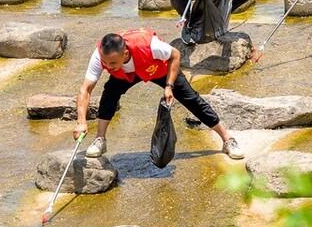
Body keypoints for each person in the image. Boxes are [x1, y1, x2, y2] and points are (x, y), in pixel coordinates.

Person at [74, 27, 243, 159]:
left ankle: (227, 139)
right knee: (109, 94)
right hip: (125, 75)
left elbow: (175, 55)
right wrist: (81, 121)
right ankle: (100, 140)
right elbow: (85, 89)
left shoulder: (150, 45)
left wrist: (169, 86)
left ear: (125, 53)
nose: (107, 67)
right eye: (105, 62)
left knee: (191, 99)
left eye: (111, 63)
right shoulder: (99, 55)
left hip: (159, 69)